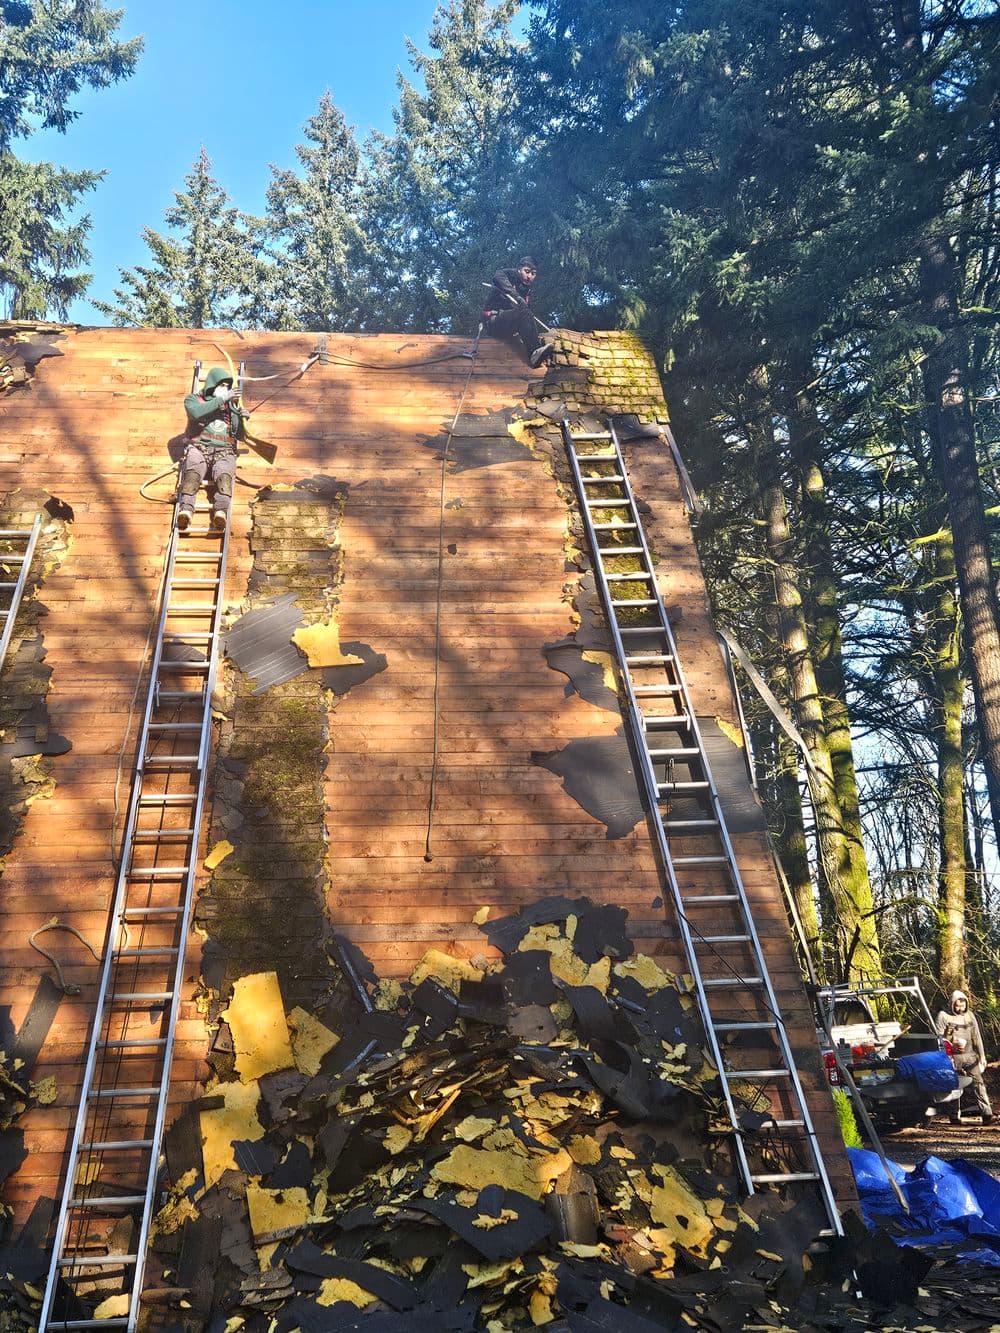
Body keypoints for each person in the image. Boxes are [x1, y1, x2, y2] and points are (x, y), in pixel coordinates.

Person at [179, 367, 244, 530]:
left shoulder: (230, 407)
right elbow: (196, 413)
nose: (225, 389)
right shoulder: (194, 400)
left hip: (224, 451)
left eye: (227, 387)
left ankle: (220, 512)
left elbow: (238, 435)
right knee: (192, 474)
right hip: (199, 447)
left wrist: (241, 418)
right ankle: (186, 510)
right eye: (221, 385)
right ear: (212, 385)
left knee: (224, 478)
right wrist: (222, 400)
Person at [483, 256, 553, 367]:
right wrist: (516, 297)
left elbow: (527, 319)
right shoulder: (508, 274)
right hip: (494, 322)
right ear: (519, 269)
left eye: (533, 274)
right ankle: (534, 353)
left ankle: (539, 351)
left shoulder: (526, 291)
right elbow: (497, 277)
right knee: (524, 312)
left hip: (509, 327)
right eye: (527, 271)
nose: (529, 276)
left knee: (527, 313)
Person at [936, 989, 994, 1123]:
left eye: (963, 1005)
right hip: (951, 1057)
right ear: (952, 1003)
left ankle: (987, 1113)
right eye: (957, 1005)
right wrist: (950, 1047)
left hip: (970, 1056)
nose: (960, 1008)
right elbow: (938, 1039)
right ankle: (954, 1116)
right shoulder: (943, 1016)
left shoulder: (969, 1016)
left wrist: (982, 1056)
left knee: (978, 1083)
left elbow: (977, 1037)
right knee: (954, 1084)